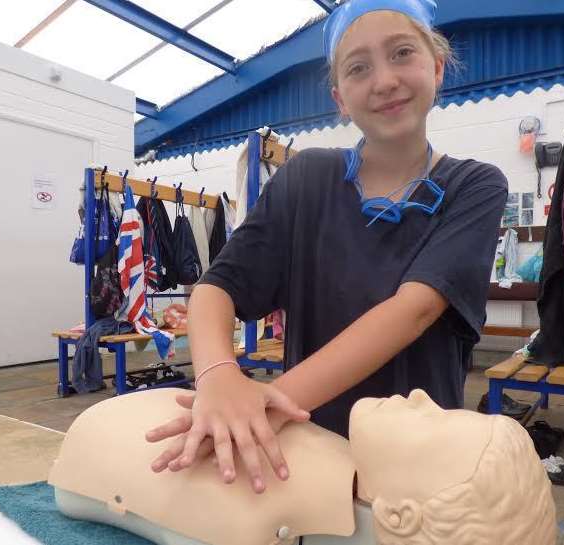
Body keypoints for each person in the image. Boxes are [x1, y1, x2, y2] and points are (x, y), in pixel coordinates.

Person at [145, 0, 508, 495]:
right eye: (359, 68)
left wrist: (262, 406)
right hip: (308, 448)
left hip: (417, 460)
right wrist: (217, 375)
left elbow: (414, 309)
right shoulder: (307, 177)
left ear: (438, 68)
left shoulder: (475, 185)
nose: (384, 81)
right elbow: (216, 287)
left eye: (402, 53)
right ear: (340, 98)